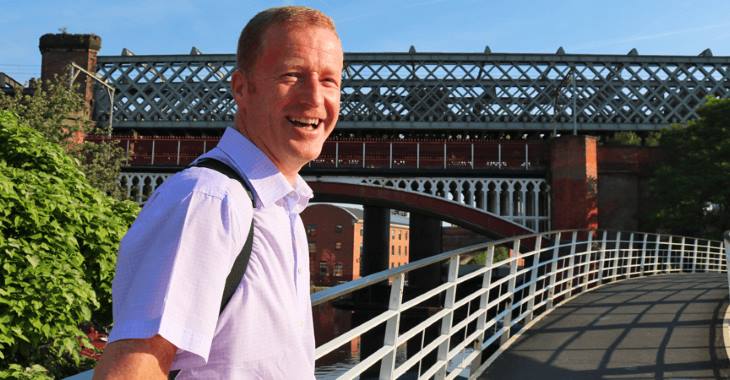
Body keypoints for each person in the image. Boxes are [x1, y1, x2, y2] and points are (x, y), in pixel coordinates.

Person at [93, 6, 343, 379]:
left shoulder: (280, 205)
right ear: (241, 88)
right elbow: (133, 371)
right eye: (292, 75)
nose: (313, 97)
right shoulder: (210, 200)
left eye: (329, 81)